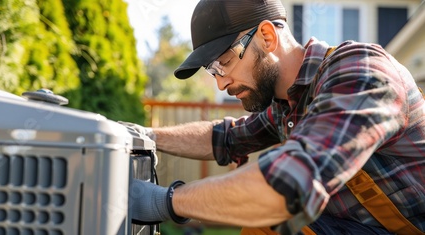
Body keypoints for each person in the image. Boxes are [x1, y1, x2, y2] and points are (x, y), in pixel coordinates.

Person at [125, 0, 425, 234]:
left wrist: (163, 202)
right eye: (213, 70)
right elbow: (225, 138)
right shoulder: (286, 103)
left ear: (267, 36)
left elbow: (287, 185)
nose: (220, 83)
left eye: (224, 62)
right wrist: (142, 136)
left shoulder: (360, 73)